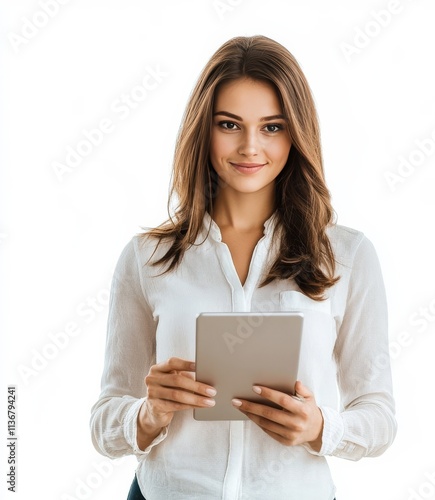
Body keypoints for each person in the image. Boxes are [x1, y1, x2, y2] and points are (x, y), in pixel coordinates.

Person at [90, 34, 397, 500]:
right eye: (229, 124)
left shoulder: (347, 256)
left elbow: (379, 416)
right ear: (203, 130)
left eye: (272, 127)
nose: (251, 147)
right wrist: (148, 414)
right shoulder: (146, 258)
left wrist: (320, 428)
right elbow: (104, 421)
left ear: (296, 133)